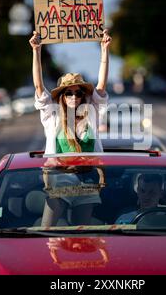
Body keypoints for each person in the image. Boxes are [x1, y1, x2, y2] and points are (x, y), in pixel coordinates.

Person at [30, 29, 112, 227]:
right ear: (62, 97)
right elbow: (40, 88)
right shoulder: (53, 116)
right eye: (69, 93)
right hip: (60, 182)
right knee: (46, 231)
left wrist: (104, 50)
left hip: (88, 182)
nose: (74, 97)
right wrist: (36, 50)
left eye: (78, 93)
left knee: (80, 235)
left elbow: (101, 86)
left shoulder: (92, 112)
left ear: (83, 95)